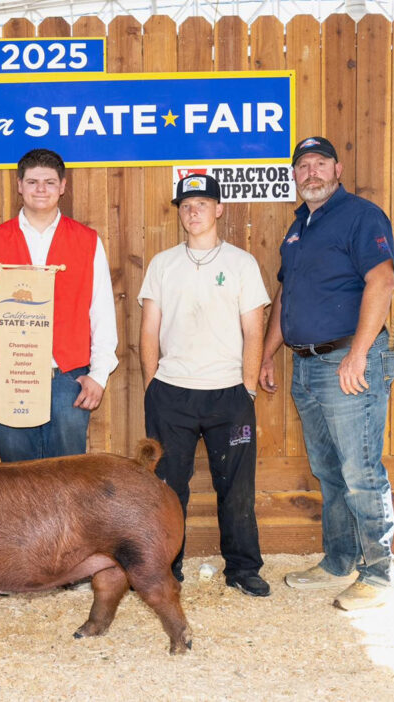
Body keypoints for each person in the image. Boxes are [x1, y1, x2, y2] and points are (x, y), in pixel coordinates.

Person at [259, 136, 394, 610]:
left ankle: (378, 573)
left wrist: (358, 354)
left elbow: (382, 280)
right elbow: (285, 298)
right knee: (329, 470)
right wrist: (266, 354)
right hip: (305, 366)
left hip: (346, 362)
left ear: (337, 169)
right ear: (294, 176)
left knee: (360, 469)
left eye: (320, 163)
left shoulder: (361, 216)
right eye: (303, 166)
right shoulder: (298, 227)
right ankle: (339, 560)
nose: (311, 172)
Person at [138, 173, 271, 597]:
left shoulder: (241, 263)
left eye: (201, 203)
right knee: (167, 487)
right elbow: (148, 331)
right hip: (171, 393)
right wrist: (151, 385)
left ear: (219, 209)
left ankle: (244, 569)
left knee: (236, 487)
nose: (193, 211)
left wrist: (247, 388)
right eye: (185, 205)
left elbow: (255, 330)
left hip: (229, 393)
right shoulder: (162, 264)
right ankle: (165, 567)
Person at [0, 148, 118, 461]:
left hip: (67, 378)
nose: (41, 189)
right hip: (12, 374)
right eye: (32, 182)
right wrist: (7, 289)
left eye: (49, 182)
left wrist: (99, 374)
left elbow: (101, 311)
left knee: (67, 481)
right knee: (18, 483)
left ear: (62, 186)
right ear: (19, 185)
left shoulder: (87, 240)